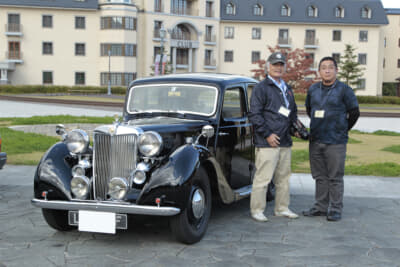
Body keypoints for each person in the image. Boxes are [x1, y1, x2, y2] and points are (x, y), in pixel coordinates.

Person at [303, 56, 360, 221]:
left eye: (330, 67)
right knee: (319, 176)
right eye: (323, 67)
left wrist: (342, 128)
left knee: (335, 176)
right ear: (319, 71)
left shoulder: (344, 90)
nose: (327, 70)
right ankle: (320, 207)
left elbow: (354, 112)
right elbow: (309, 109)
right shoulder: (313, 89)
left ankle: (335, 208)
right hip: (316, 139)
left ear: (336, 70)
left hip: (336, 141)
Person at [249, 52, 299, 222]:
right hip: (267, 142)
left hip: (285, 141)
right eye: (275, 64)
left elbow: (291, 114)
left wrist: (296, 129)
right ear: (268, 67)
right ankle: (257, 210)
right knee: (263, 178)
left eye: (281, 64)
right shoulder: (261, 88)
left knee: (284, 178)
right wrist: (268, 134)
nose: (278, 67)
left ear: (284, 67)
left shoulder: (287, 88)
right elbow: (255, 115)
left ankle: (282, 208)